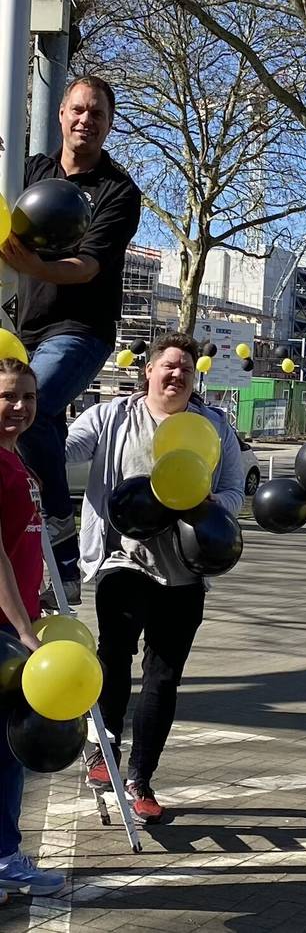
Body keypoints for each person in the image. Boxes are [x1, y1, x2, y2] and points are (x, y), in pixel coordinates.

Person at [64, 333, 243, 823]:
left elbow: (234, 491)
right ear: (147, 370)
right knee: (114, 655)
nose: (177, 374)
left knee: (163, 678)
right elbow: (67, 448)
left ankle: (142, 778)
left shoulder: (214, 427)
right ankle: (103, 750)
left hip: (184, 573)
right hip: (123, 561)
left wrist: (203, 507)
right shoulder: (112, 416)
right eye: (168, 365)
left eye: (186, 368)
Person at [0, 75, 142, 609]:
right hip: (22, 324)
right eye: (77, 109)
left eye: (97, 114)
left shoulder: (118, 191)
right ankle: (46, 558)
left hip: (80, 332)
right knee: (33, 426)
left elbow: (86, 268)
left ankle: (58, 521)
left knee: (26, 406)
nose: (86, 120)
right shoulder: (31, 169)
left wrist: (35, 265)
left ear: (108, 125)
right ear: (60, 114)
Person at [0, 358, 65, 897]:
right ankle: (4, 858)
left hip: (16, 617)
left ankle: (2, 856)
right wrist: (23, 629)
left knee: (6, 751)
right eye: (6, 396)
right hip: (2, 631)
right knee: (7, 750)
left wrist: (37, 594)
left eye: (28, 397)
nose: (18, 408)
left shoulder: (15, 458)